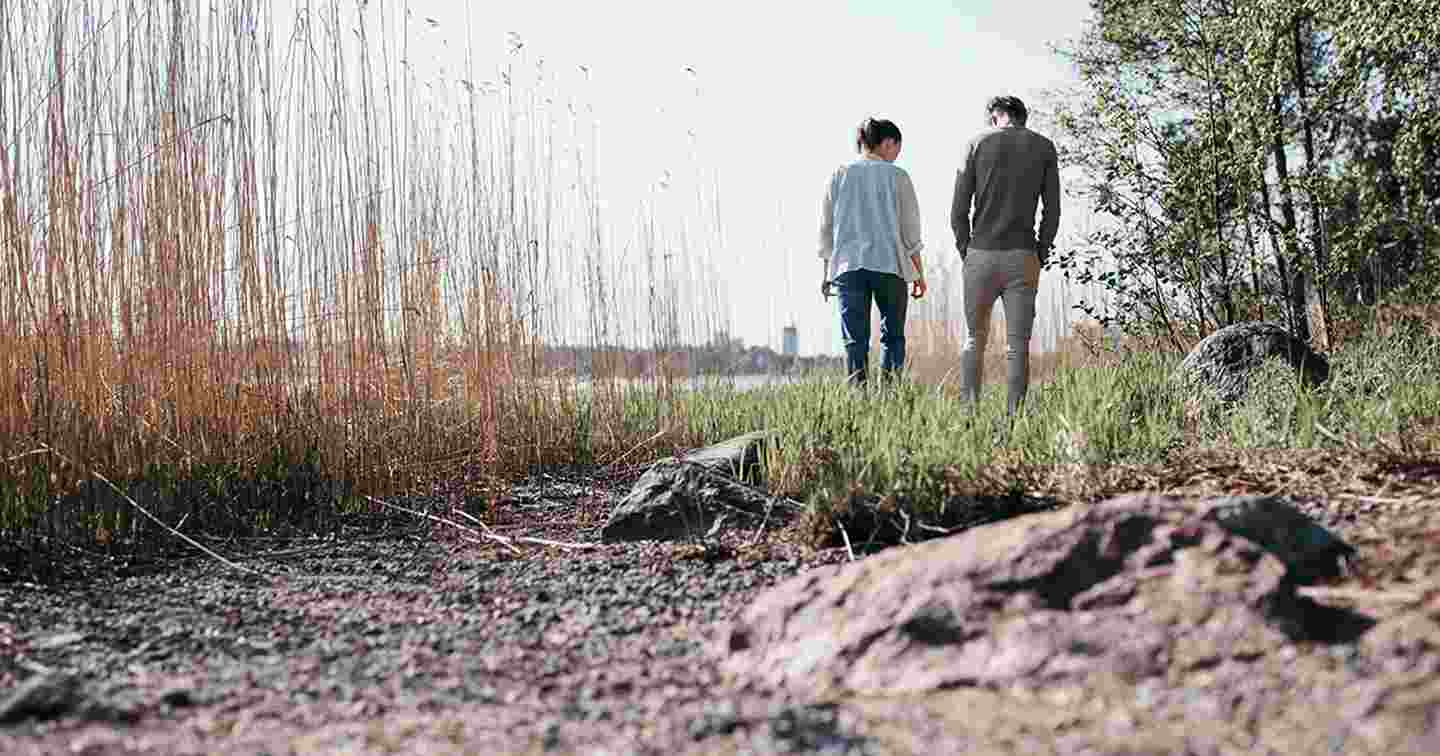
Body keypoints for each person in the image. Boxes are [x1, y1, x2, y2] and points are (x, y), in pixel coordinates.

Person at [950, 95, 1060, 415]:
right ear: (1022, 117)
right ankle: (1014, 418)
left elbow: (958, 209)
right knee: (1017, 346)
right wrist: (1041, 250)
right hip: (1022, 257)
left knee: (974, 339)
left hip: (980, 254)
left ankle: (969, 414)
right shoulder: (1043, 147)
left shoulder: (975, 143)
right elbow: (1052, 209)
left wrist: (966, 249)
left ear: (995, 116)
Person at [818, 117, 927, 386]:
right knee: (893, 337)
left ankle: (859, 398)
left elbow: (826, 229)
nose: (897, 155)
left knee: (854, 341)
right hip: (889, 266)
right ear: (888, 143)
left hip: (848, 268)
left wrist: (826, 273)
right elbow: (910, 229)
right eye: (897, 148)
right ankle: (889, 397)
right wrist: (918, 273)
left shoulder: (839, 175)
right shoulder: (898, 176)